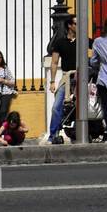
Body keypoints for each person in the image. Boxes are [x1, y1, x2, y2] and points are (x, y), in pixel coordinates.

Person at [42, 15, 81, 146]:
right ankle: (53, 135)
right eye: (76, 23)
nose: (78, 25)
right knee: (56, 107)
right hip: (67, 78)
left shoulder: (84, 41)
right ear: (70, 25)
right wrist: (52, 82)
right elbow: (54, 62)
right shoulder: (60, 43)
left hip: (81, 78)